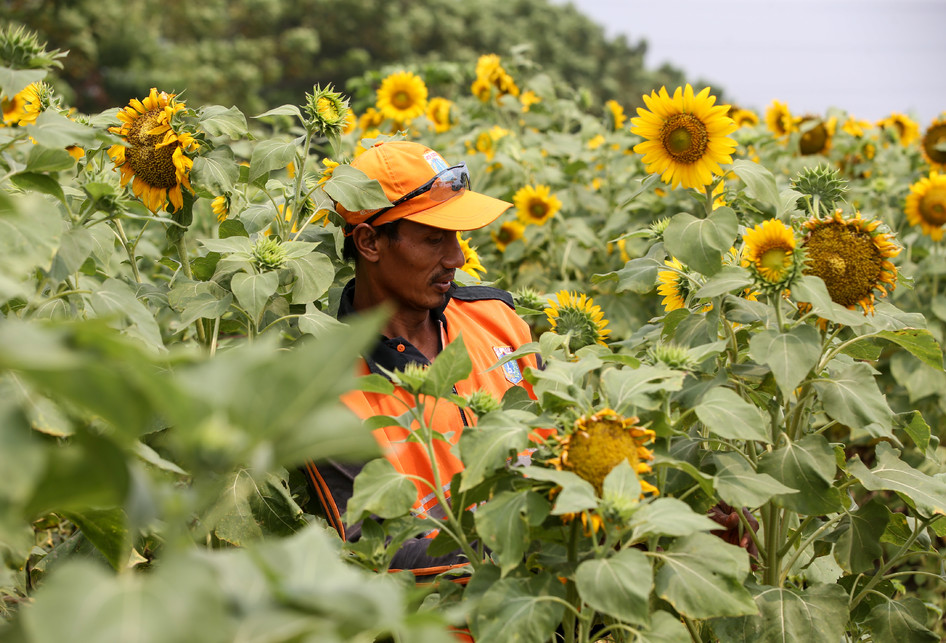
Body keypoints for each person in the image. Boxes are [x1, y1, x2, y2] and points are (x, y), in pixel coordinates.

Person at [302, 140, 539, 581]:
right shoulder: (328, 391)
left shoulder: (498, 321)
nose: (457, 257)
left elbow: (557, 445)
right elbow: (378, 549)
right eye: (433, 239)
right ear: (370, 242)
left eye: (455, 236)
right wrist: (535, 540)